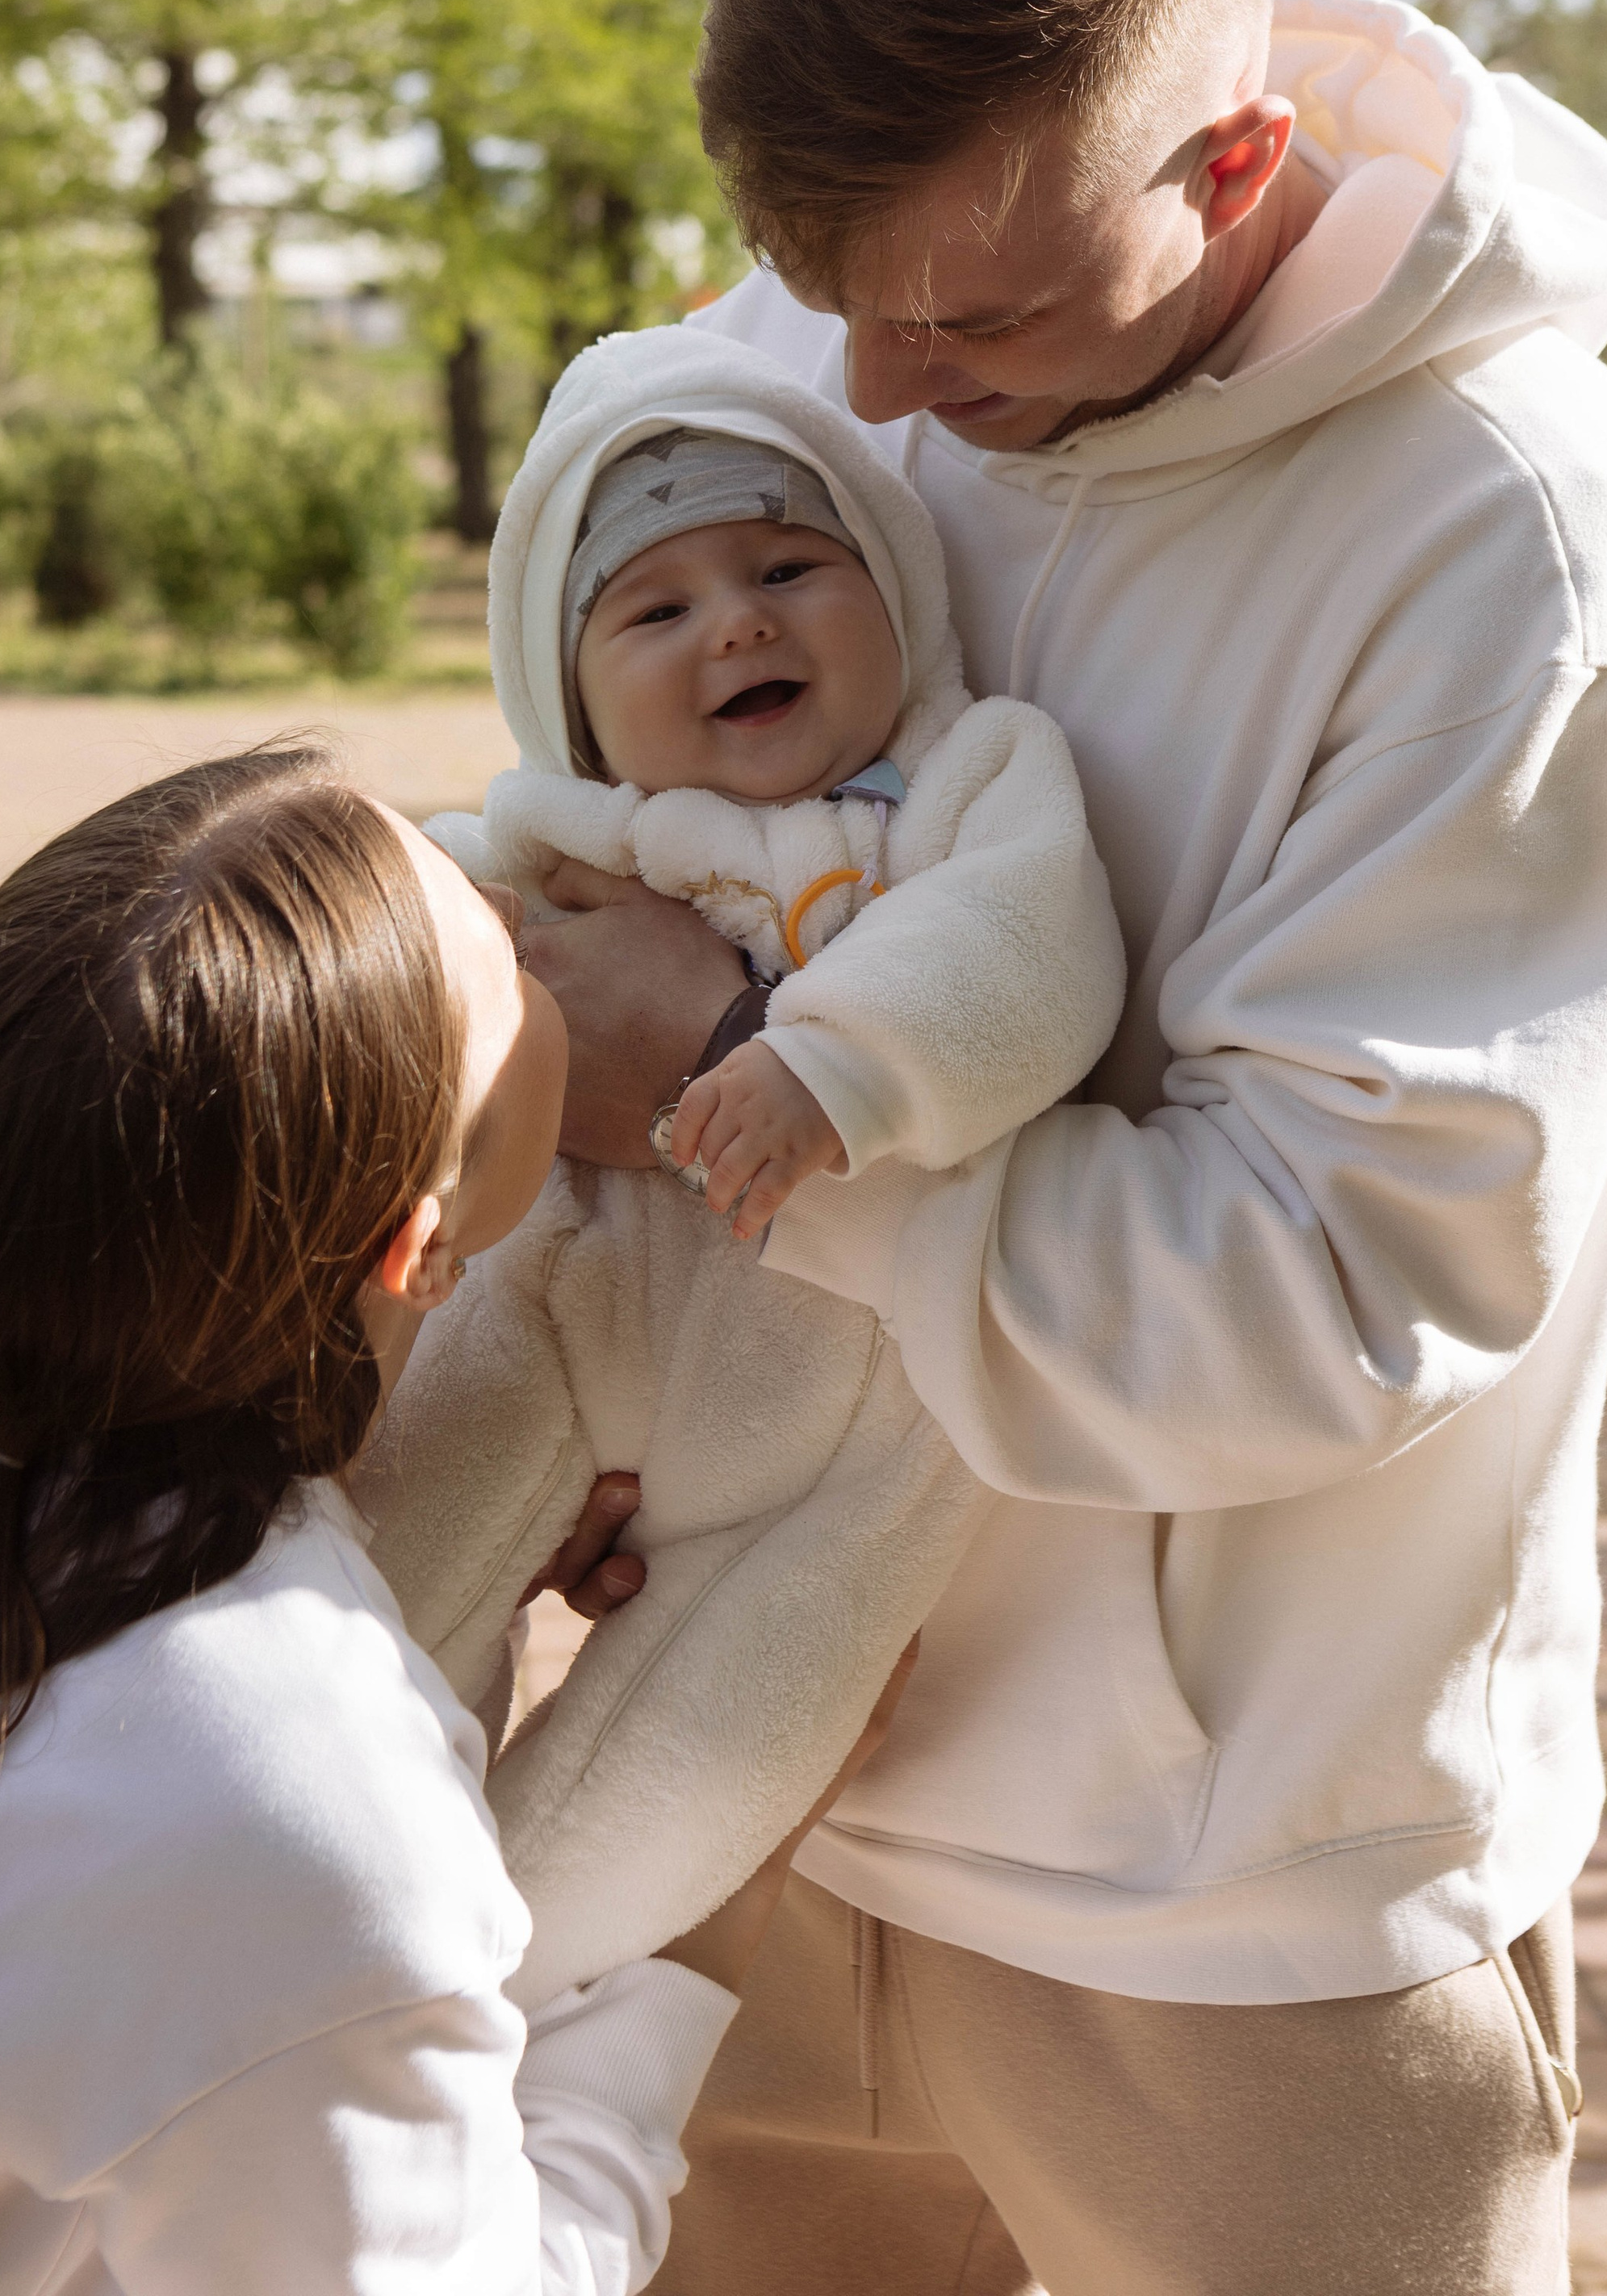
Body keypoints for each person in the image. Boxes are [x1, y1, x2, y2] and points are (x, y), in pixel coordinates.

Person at [513, 0, 1607, 2294]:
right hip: (736, 1804)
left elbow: (1324, 1300)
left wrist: (731, 1105)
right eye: (817, 287)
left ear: (1245, 158)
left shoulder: (1528, 566)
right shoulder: (845, 334)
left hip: (1232, 1923)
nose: (860, 396)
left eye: (963, 323)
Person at [0, 748, 904, 2296]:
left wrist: (456, 1587)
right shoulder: (290, 1794)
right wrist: (709, 1905)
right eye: (501, 960)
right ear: (420, 1246)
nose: (517, 903)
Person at [352, 320, 1123, 2003]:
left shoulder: (963, 783)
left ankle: (497, 1968)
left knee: (721, 1724)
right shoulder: (551, 840)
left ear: (893, 593)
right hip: (558, 1317)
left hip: (854, 1423)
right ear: (570, 695)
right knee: (383, 1572)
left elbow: (1030, 952)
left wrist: (822, 1060)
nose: (740, 621)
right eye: (656, 607)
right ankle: (311, 1872)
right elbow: (384, 964)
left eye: (787, 565)